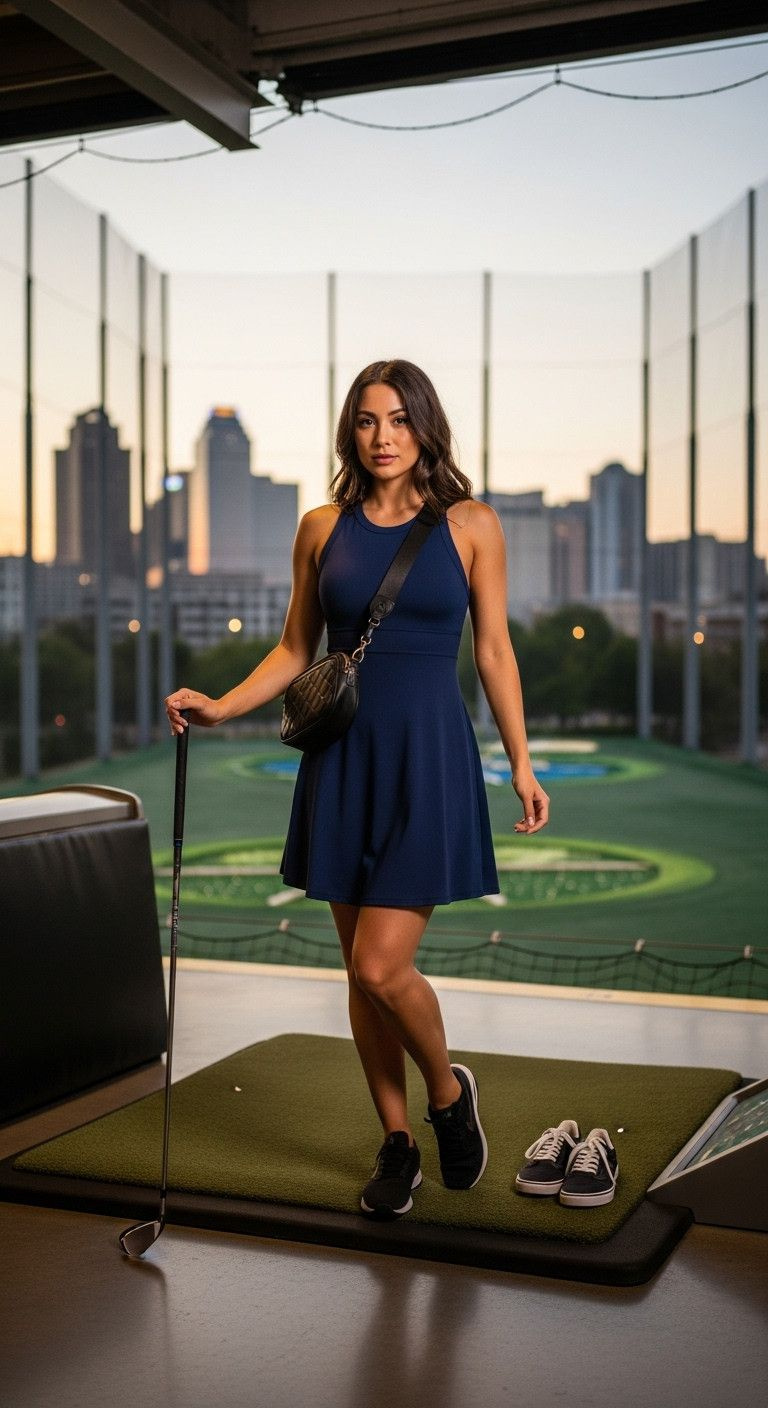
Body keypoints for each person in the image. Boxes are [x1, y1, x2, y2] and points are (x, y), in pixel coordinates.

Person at [165, 358, 549, 1219]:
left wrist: (520, 760)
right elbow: (297, 647)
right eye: (369, 421)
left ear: (425, 429)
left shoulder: (473, 525)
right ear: (352, 432)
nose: (384, 438)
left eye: (400, 421)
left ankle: (447, 1095)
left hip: (429, 759)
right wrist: (222, 704)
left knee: (383, 966)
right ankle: (398, 1143)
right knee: (356, 972)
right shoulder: (319, 528)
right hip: (342, 761)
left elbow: (493, 652)